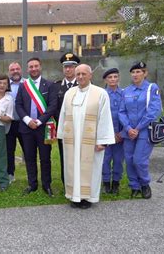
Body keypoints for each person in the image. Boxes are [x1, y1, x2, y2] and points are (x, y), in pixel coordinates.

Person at [57, 64, 115, 209]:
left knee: (91, 167)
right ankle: (74, 196)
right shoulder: (69, 93)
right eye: (78, 74)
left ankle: (87, 198)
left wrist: (103, 141)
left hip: (91, 141)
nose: (81, 77)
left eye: (84, 74)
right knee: (72, 167)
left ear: (90, 75)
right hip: (72, 141)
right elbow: (63, 115)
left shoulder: (100, 93)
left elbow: (105, 118)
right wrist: (62, 135)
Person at [119, 61, 162, 199]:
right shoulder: (126, 91)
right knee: (130, 160)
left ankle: (144, 184)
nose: (135, 74)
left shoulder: (151, 88)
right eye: (133, 72)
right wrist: (128, 128)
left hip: (144, 131)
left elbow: (153, 111)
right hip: (129, 131)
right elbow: (121, 111)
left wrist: (137, 128)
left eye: (139, 72)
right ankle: (134, 187)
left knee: (139, 160)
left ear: (145, 73)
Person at [15, 58, 57, 197]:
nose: (33, 69)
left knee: (45, 158)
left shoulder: (49, 85)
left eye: (36, 66)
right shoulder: (23, 85)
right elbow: (18, 105)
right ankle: (32, 184)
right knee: (29, 157)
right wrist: (28, 120)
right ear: (27, 69)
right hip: (27, 128)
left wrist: (39, 121)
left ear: (40, 67)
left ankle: (46, 185)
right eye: (31, 66)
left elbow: (52, 106)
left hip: (43, 127)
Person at [53, 52, 80, 185]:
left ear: (76, 68)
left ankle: (79, 182)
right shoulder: (57, 86)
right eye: (66, 67)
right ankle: (67, 183)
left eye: (71, 66)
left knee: (80, 156)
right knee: (65, 156)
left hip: (80, 128)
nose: (68, 69)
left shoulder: (83, 86)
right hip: (63, 129)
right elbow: (55, 108)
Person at [101, 68, 124, 195]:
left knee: (118, 159)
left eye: (115, 77)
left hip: (120, 134)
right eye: (110, 77)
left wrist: (121, 133)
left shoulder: (124, 94)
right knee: (105, 159)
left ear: (118, 78)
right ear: (106, 80)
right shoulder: (102, 94)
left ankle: (116, 183)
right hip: (106, 134)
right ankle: (106, 183)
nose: (113, 79)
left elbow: (128, 114)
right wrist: (109, 133)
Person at [6, 62, 25, 183]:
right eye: (12, 69)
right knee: (9, 150)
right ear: (9, 72)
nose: (15, 71)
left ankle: (31, 173)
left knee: (28, 149)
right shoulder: (4, 84)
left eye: (17, 69)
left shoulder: (28, 84)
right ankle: (10, 174)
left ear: (21, 70)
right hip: (10, 123)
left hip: (24, 122)